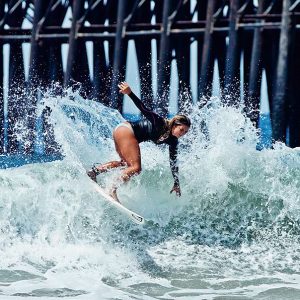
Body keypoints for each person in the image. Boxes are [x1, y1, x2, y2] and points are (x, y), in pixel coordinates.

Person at [87, 82, 191, 202]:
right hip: (126, 131)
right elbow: (143, 108)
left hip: (121, 131)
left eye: (185, 132)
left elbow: (173, 162)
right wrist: (129, 93)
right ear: (175, 124)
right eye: (181, 129)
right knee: (136, 168)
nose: (182, 133)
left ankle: (94, 172)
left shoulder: (173, 141)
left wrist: (176, 183)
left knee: (126, 164)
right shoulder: (160, 122)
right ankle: (111, 188)